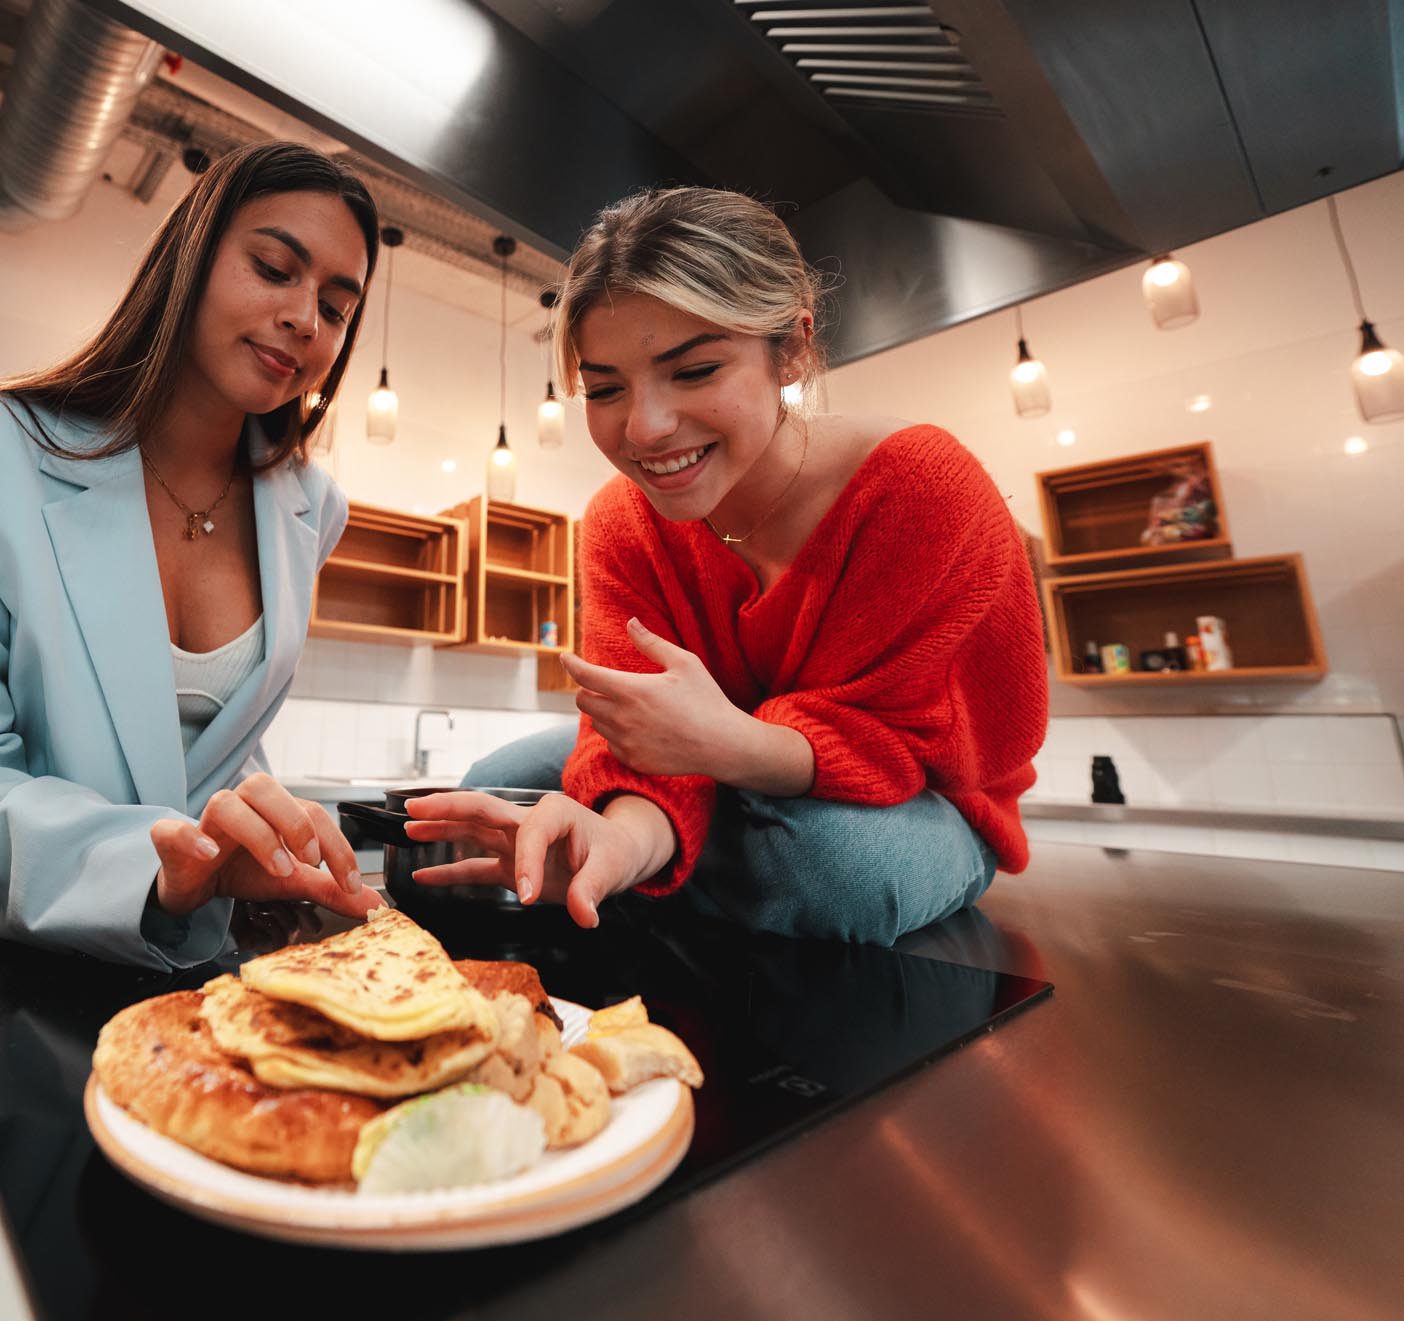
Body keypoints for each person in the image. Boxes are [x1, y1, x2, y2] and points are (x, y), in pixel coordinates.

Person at [413, 186, 1049, 945]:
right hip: (719, 764)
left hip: (923, 798)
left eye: (695, 370)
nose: (645, 428)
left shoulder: (920, 488)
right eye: (607, 388)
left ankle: (662, 876)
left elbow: (909, 744)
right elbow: (646, 735)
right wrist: (624, 840)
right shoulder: (620, 522)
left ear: (793, 349)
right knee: (494, 785)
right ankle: (641, 868)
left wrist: (724, 747)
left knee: (832, 868)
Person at [0, 143, 385, 971]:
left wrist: (271, 839)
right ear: (190, 261)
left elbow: (209, 740)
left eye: (338, 308)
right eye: (275, 267)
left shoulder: (311, 508)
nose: (307, 320)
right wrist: (157, 864)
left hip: (190, 967)